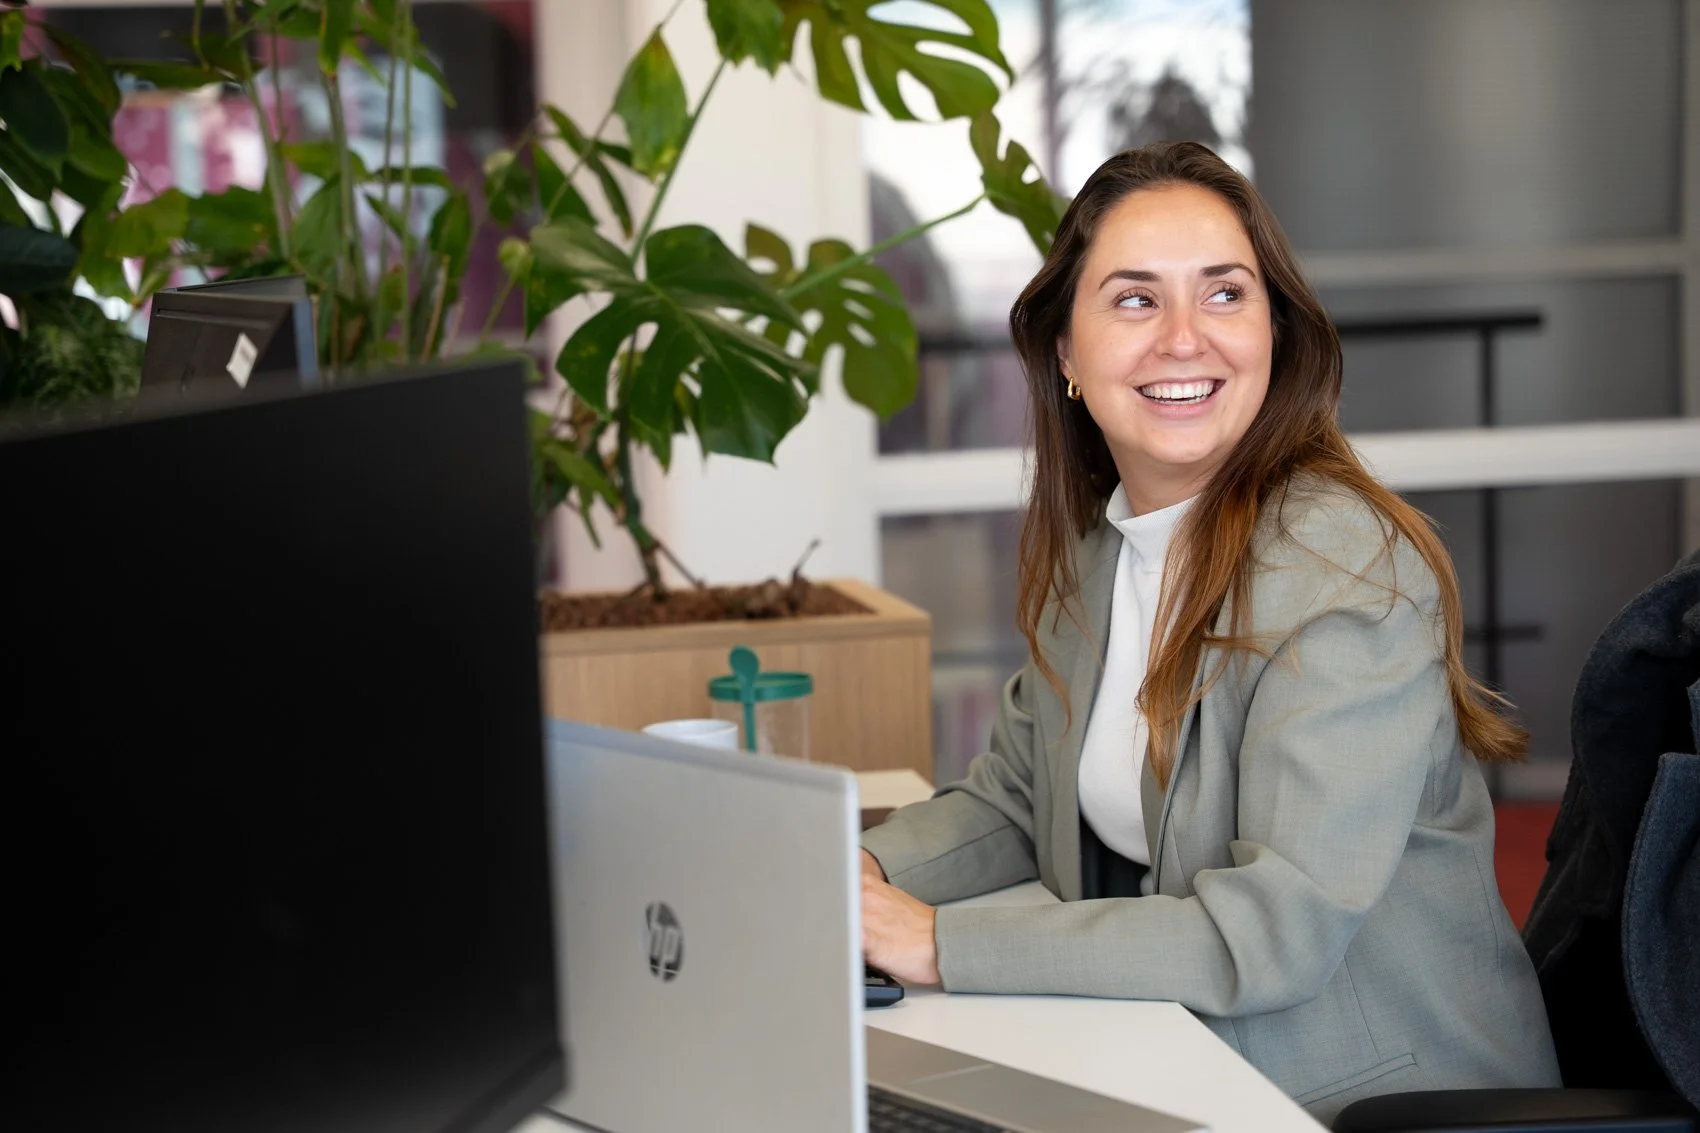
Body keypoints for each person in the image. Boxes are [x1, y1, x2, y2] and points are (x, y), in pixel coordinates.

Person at [858, 141, 1561, 1123]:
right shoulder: (1100, 556)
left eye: (1223, 294)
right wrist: (861, 875)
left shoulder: (1339, 570)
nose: (1183, 338)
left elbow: (1270, 931)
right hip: (1177, 1058)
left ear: (1273, 331)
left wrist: (934, 943)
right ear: (1065, 351)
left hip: (1365, 1097)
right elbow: (1016, 801)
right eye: (1135, 299)